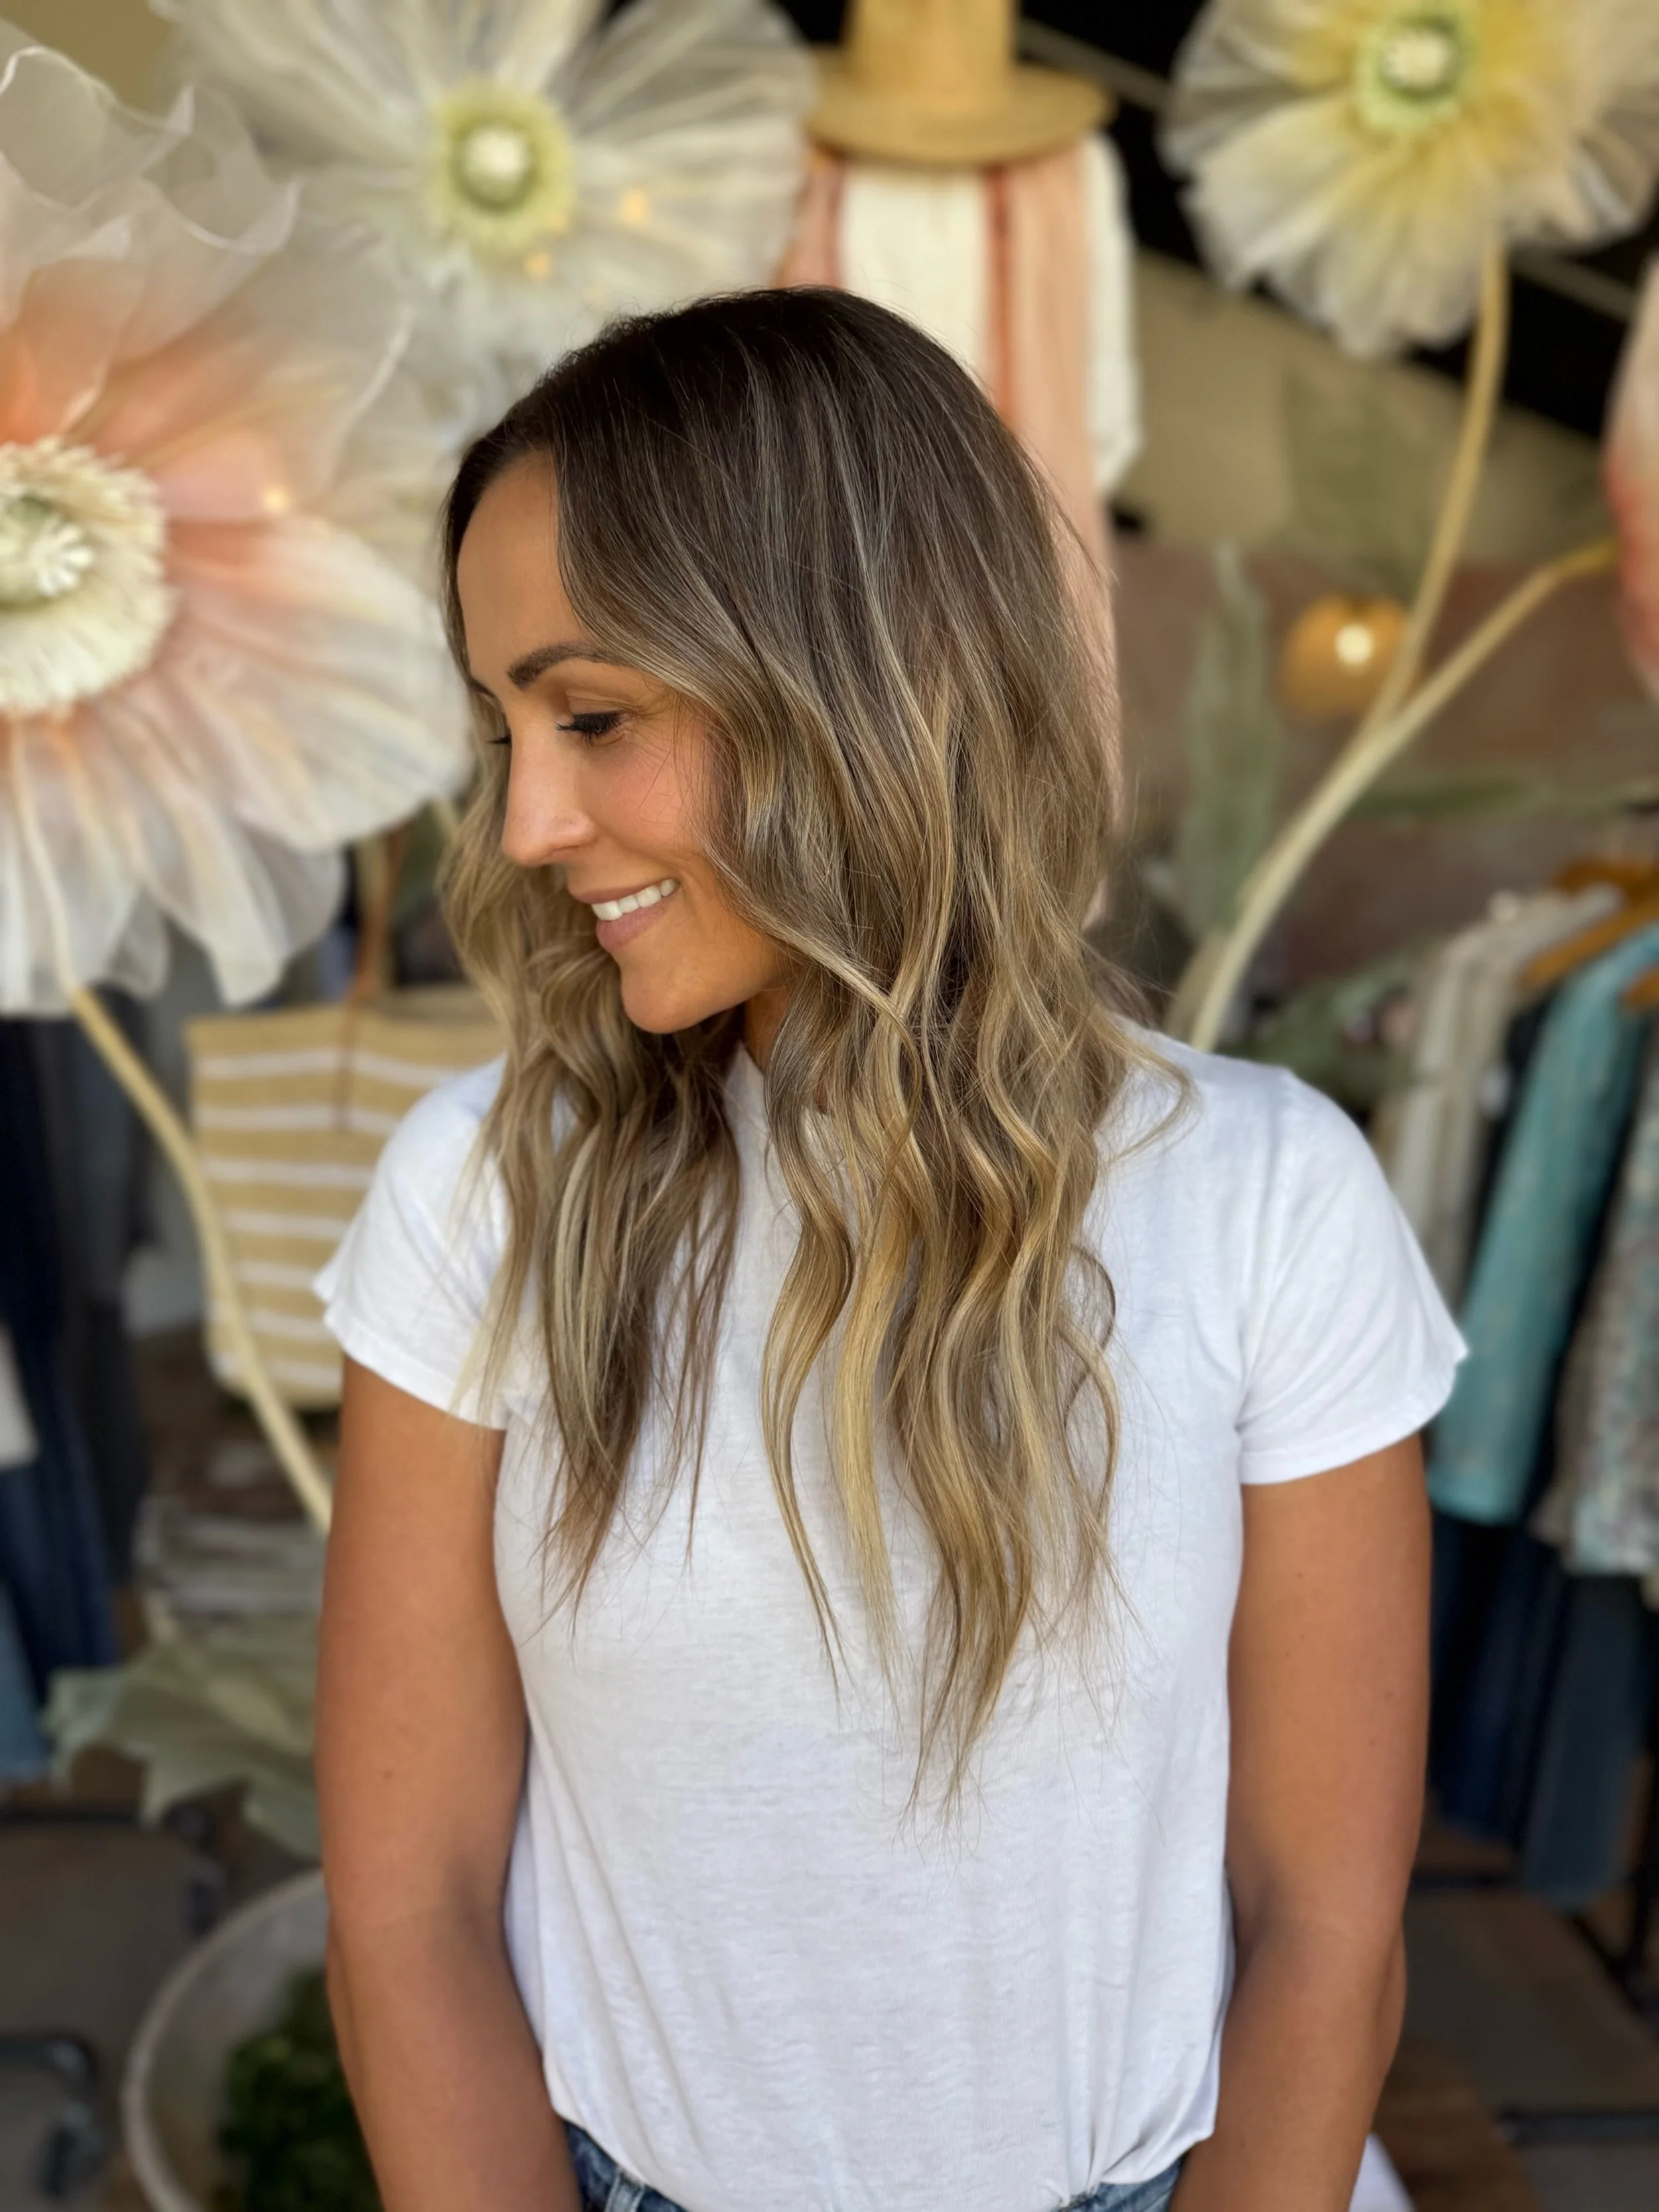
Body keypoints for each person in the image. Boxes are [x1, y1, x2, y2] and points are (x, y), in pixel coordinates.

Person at [314, 287, 1465, 2212]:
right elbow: (408, 1902)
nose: (525, 818)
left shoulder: (1265, 1195)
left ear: (857, 671)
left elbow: (1322, 1916)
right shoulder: (487, 1195)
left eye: (592, 714)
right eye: (502, 722)